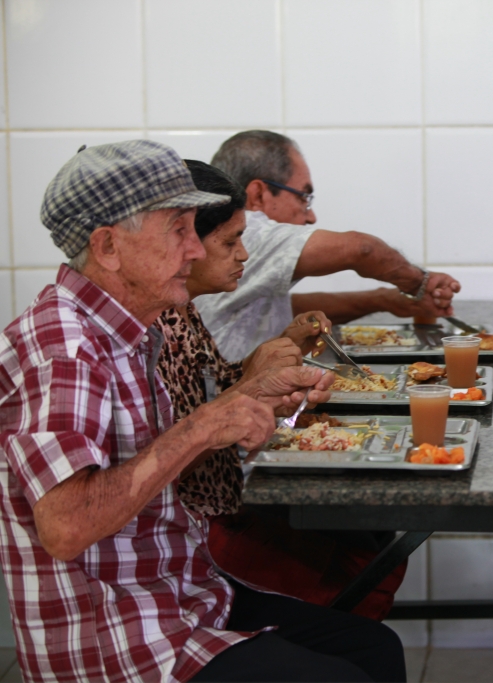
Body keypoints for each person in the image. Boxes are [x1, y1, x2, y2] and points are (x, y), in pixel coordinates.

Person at [0, 140, 404, 682]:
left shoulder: (131, 331)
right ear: (108, 246)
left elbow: (173, 447)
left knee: (372, 649)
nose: (195, 251)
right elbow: (66, 526)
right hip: (118, 634)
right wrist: (205, 425)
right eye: (179, 231)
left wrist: (246, 398)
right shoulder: (65, 347)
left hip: (183, 594)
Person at [158, 159, 406, 620]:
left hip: (220, 498)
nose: (244, 255)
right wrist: (416, 283)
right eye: (232, 241)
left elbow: (216, 386)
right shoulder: (143, 323)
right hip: (198, 530)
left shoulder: (180, 311)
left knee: (375, 544)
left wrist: (279, 352)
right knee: (365, 574)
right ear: (184, 242)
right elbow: (178, 448)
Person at [196, 130, 462, 361]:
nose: (311, 216)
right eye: (304, 197)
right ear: (258, 194)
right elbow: (361, 250)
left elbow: (276, 309)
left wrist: (383, 300)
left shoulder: (226, 235)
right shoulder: (251, 229)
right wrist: (421, 283)